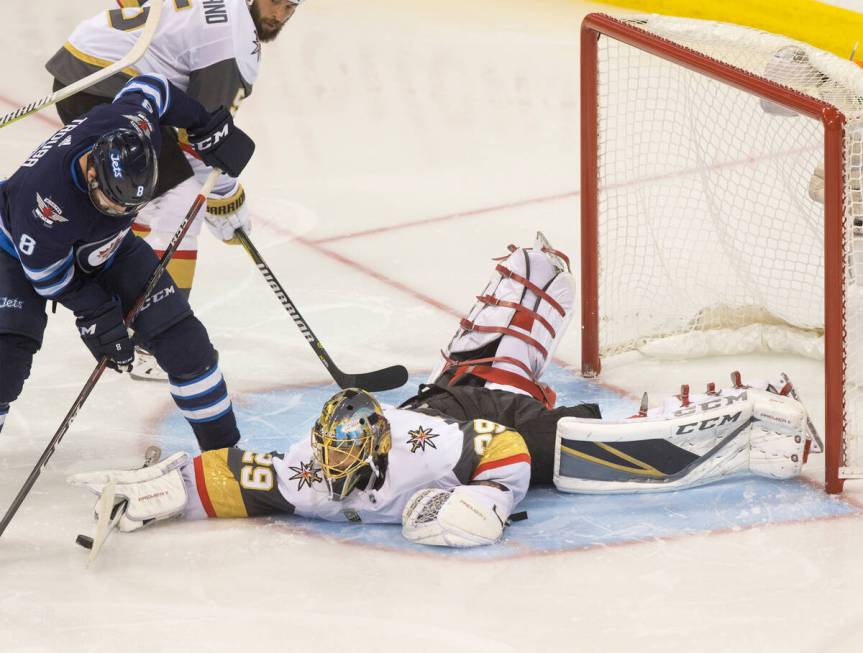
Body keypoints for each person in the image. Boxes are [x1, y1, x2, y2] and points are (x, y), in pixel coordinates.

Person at [68, 235, 814, 548]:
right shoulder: (308, 469)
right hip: (447, 395)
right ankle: (500, 336)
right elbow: (233, 476)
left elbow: (506, 447)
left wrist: (485, 501)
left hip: (483, 422)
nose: (329, 481)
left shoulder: (419, 453)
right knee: (506, 317)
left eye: (339, 471)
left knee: (584, 455)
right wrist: (158, 494)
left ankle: (744, 423)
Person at [45, 0, 303, 380]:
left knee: (151, 199)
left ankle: (128, 307)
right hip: (103, 86)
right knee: (181, 199)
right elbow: (203, 141)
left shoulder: (227, 16)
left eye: (290, 7)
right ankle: (154, 343)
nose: (279, 15)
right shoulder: (231, 44)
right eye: (275, 2)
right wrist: (226, 199)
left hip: (96, 73)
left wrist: (223, 196)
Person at [0, 73, 254, 451]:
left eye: (129, 206)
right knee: (6, 362)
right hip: (15, 251)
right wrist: (96, 314)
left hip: (109, 247)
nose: (119, 210)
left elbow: (153, 88)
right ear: (91, 171)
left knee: (186, 344)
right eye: (111, 202)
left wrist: (204, 125)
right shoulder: (46, 201)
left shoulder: (131, 125)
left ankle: (225, 455)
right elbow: (49, 276)